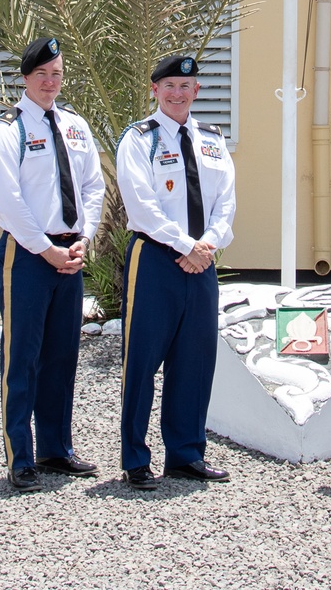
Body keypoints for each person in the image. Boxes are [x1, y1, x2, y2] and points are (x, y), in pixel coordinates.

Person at [0, 35, 105, 493]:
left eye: (56, 74)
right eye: (42, 75)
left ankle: (55, 449)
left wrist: (84, 239)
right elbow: (6, 200)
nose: (51, 83)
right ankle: (21, 457)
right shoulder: (8, 130)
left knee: (61, 356)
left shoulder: (74, 124)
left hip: (70, 253)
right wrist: (45, 248)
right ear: (25, 78)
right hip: (28, 256)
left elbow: (92, 184)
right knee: (23, 358)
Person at [115, 52, 236, 491]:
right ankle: (135, 459)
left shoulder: (212, 139)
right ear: (155, 90)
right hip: (156, 261)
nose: (178, 93)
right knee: (142, 361)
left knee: (195, 361)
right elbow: (141, 204)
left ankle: (186, 455)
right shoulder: (138, 138)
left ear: (196, 91)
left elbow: (226, 202)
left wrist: (207, 244)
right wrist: (187, 245)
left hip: (201, 260)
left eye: (186, 87)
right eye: (169, 86)